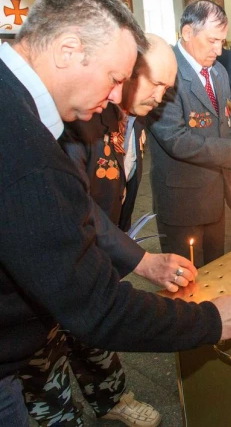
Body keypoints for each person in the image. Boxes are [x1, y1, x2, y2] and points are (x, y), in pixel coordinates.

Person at [0, 0, 231, 427]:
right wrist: (207, 321)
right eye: (116, 78)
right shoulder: (33, 147)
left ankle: (109, 399)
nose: (116, 96)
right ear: (67, 49)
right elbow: (95, 303)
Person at [20, 33, 180, 427]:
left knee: (94, 335)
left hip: (98, 251)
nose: (161, 97)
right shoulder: (81, 119)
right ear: (126, 73)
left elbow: (118, 193)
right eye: (155, 83)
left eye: (167, 89)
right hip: (57, 255)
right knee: (47, 351)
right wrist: (140, 260)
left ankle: (112, 400)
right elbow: (78, 205)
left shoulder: (133, 119)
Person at [147, 1, 231, 268]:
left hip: (215, 193)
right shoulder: (167, 71)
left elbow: (227, 118)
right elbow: (176, 140)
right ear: (188, 33)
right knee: (187, 282)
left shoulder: (219, 72)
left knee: (216, 270)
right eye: (212, 40)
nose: (219, 49)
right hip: (182, 200)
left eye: (222, 41)